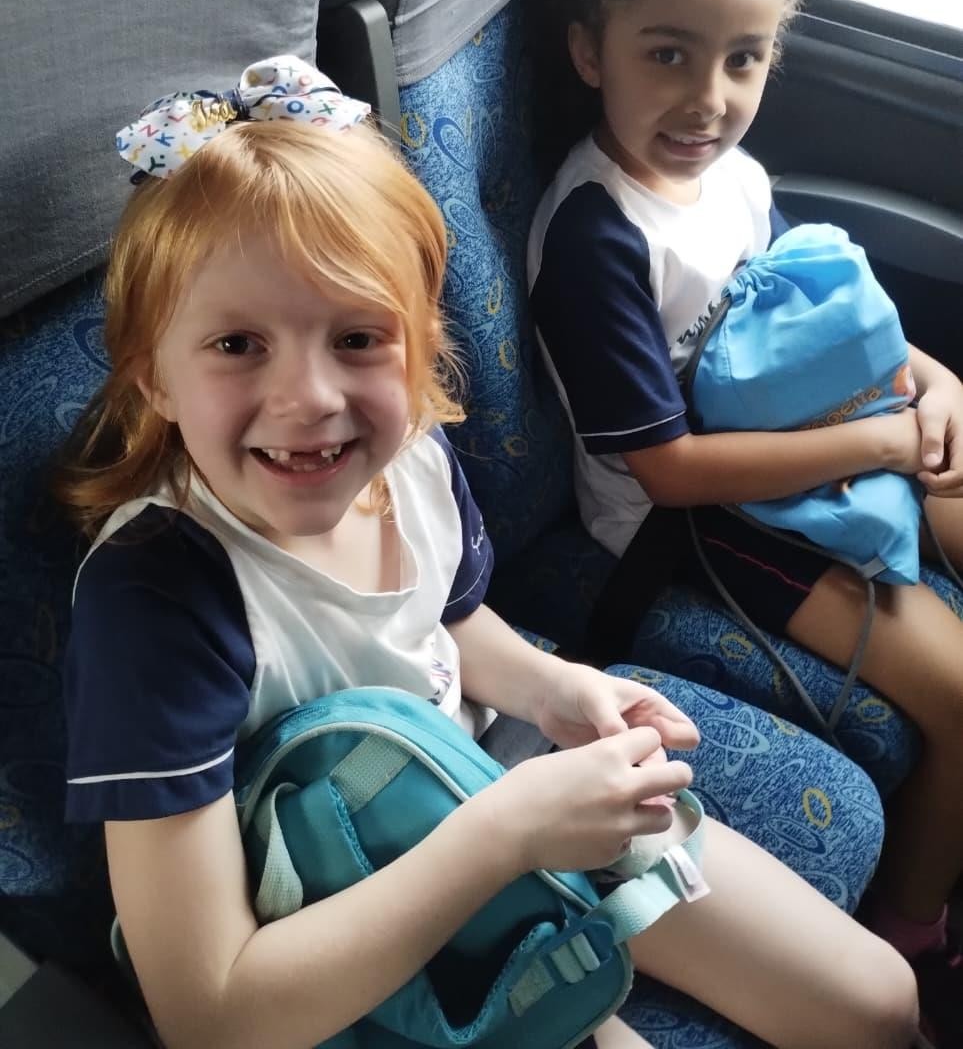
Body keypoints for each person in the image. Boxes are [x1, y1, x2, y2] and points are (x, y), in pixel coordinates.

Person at [59, 57, 916, 1049]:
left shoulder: (410, 455)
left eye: (358, 338)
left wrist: (555, 690)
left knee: (880, 1001)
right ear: (154, 376)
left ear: (421, 343)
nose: (310, 399)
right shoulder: (157, 597)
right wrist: (503, 837)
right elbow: (210, 1012)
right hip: (336, 899)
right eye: (237, 345)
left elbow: (450, 622)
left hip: (475, 778)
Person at [527, 0, 963, 1046]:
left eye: (743, 59)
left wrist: (932, 383)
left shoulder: (734, 177)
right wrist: (882, 439)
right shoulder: (598, 233)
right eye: (667, 55)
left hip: (800, 448)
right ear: (590, 52)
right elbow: (667, 468)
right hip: (696, 525)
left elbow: (809, 320)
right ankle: (911, 930)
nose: (708, 99)